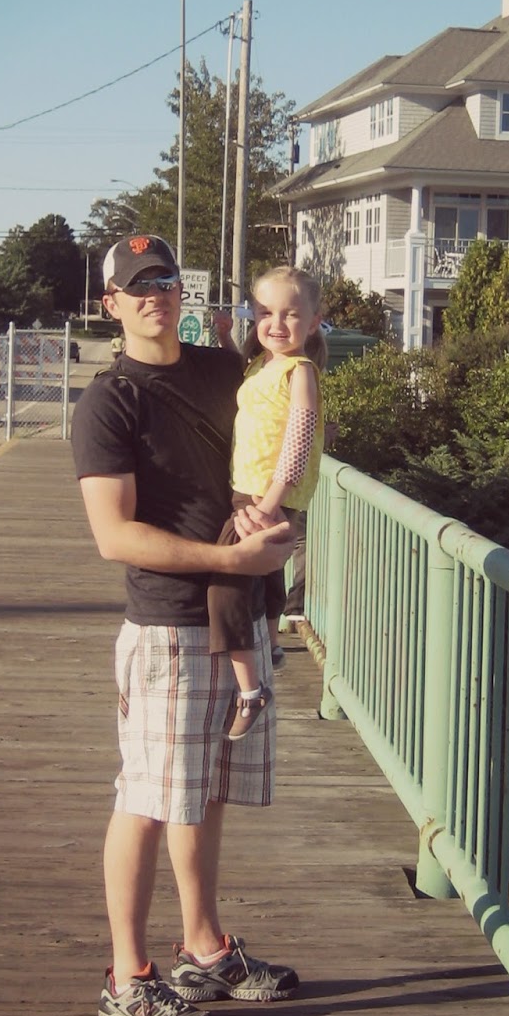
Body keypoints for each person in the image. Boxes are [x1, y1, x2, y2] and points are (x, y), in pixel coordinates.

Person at [71, 233, 299, 1016]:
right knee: (146, 797)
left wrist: (281, 514)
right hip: (169, 624)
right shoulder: (109, 402)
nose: (154, 294)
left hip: (241, 616)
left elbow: (279, 430)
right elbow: (115, 535)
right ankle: (128, 978)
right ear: (112, 303)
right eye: (137, 286)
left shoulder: (221, 371)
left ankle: (203, 949)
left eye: (164, 279)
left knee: (203, 792)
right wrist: (229, 559)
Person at [208, 267, 326, 738]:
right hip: (251, 489)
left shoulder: (300, 372)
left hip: (265, 496)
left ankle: (250, 691)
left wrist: (270, 505)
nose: (276, 324)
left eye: (290, 314)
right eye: (264, 313)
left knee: (226, 587)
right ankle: (271, 645)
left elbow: (299, 442)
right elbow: (247, 384)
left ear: (313, 322)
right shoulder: (264, 363)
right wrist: (224, 339)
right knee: (266, 578)